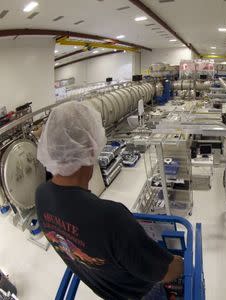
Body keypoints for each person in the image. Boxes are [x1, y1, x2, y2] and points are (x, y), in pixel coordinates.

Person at [35, 101, 183, 300]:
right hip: (140, 294)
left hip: (104, 289)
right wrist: (181, 262)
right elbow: (168, 271)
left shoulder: (41, 194)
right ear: (91, 148)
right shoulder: (111, 218)